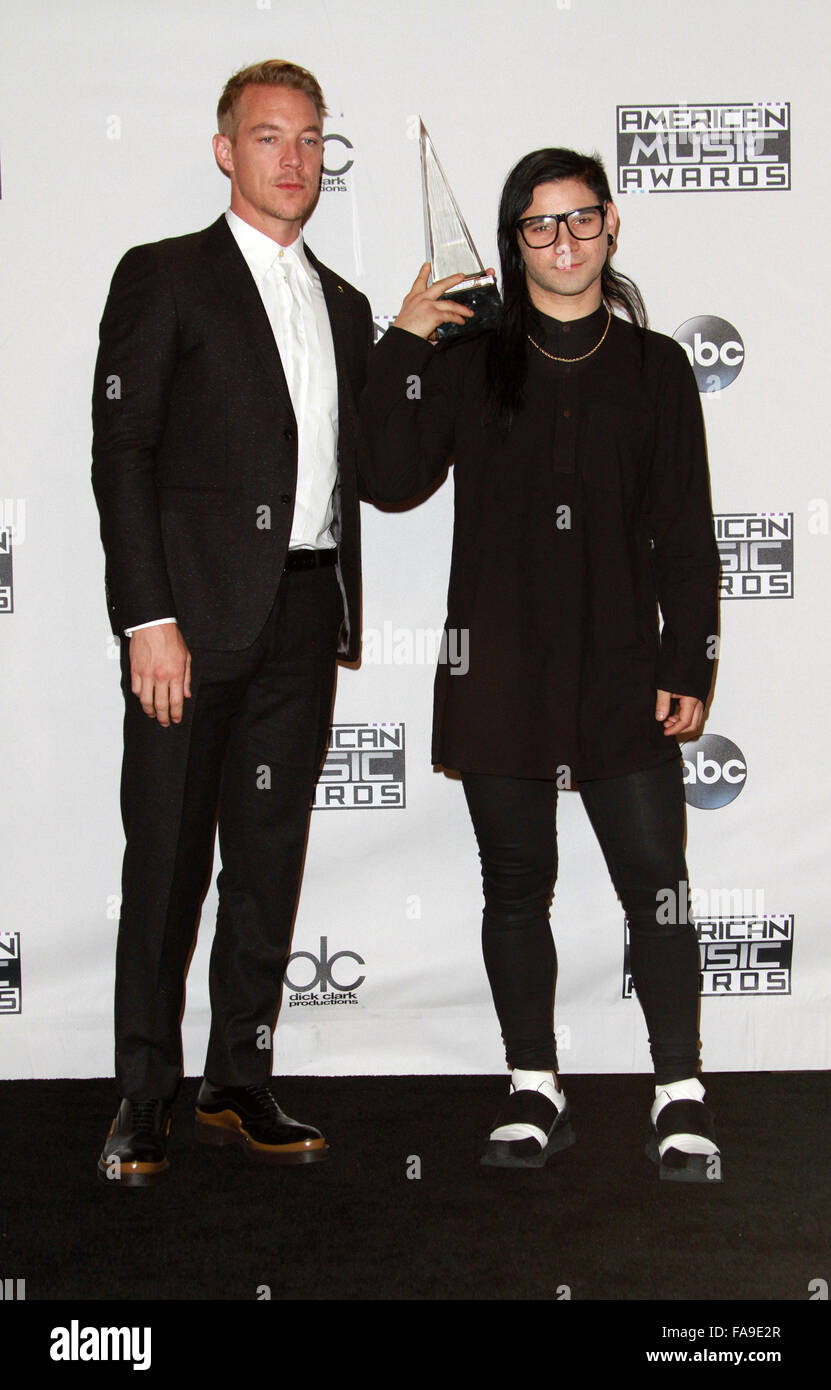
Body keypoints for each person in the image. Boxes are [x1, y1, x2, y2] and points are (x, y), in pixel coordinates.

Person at [359, 148, 722, 1181]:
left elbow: (686, 535)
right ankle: (533, 1083)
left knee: (657, 883)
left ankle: (680, 1088)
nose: (564, 243)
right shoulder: (475, 360)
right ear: (515, 242)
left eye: (581, 220)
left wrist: (689, 658)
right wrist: (406, 340)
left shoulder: (654, 368)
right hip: (501, 663)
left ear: (613, 225)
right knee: (515, 884)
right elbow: (387, 479)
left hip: (622, 662)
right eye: (539, 225)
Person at [91, 59, 372, 1185]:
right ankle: (143, 1092)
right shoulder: (164, 278)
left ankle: (238, 1074)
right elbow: (123, 457)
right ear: (226, 151)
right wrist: (146, 617)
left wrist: (412, 346)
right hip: (190, 621)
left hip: (305, 610)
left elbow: (384, 473)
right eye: (269, 138)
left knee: (266, 858)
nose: (294, 158)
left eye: (309, 138)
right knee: (166, 861)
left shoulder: (343, 304)